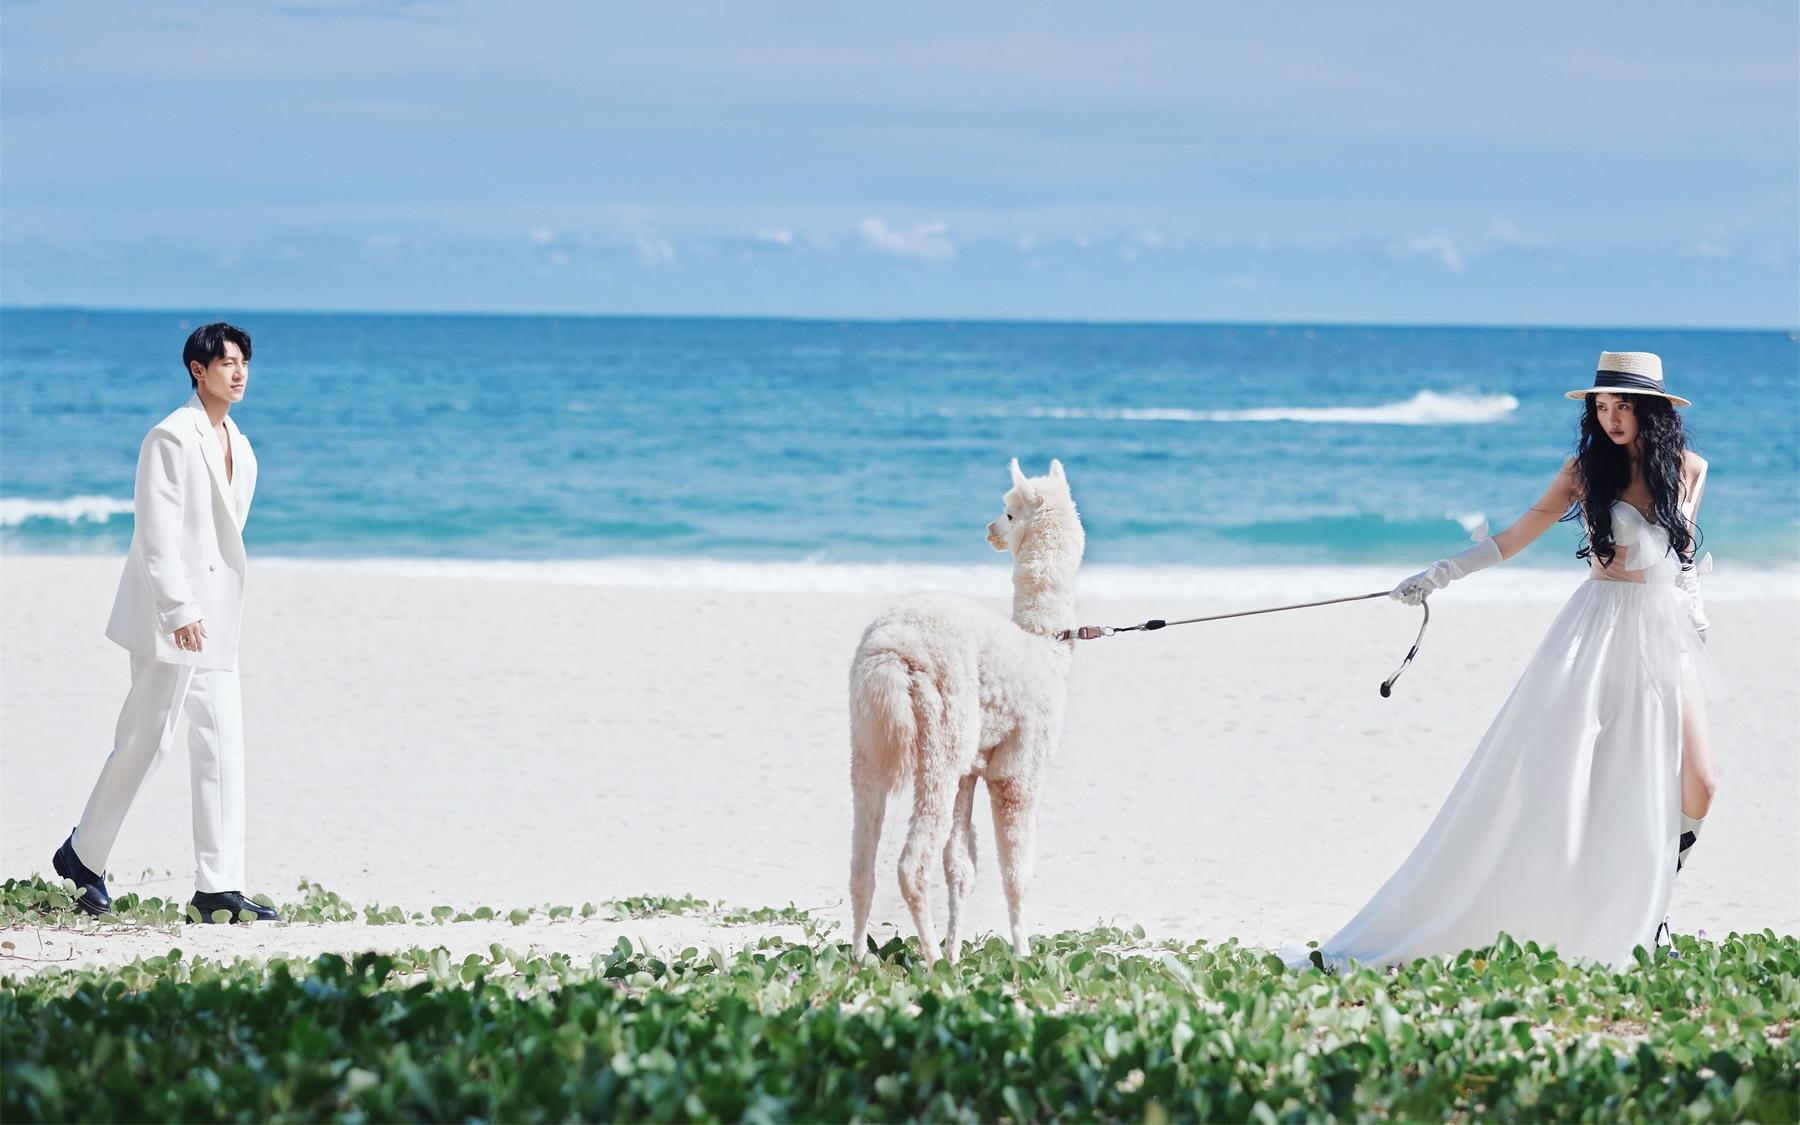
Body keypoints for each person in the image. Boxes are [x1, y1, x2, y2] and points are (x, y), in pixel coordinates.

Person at [1287, 351, 1721, 969]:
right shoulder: (1583, 470)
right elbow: (1517, 536)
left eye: (1623, 405)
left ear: (1651, 409)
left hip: (1667, 636)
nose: (1611, 418)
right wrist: (1440, 574)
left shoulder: (1689, 469)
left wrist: (1695, 630)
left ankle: (1657, 901)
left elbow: (1680, 566)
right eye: (1602, 405)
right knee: (1581, 781)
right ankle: (1641, 920)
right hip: (1598, 629)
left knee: (1699, 784)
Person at [50, 322, 277, 923]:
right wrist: (179, 609)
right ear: (198, 371)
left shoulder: (243, 447)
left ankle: (218, 886)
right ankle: (82, 854)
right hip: (168, 617)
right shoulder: (170, 437)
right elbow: (155, 533)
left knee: (222, 743)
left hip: (217, 623)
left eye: (244, 362)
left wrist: (208, 612)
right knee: (148, 740)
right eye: (226, 362)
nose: (239, 372)